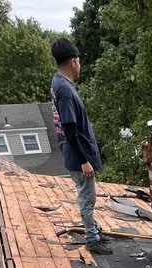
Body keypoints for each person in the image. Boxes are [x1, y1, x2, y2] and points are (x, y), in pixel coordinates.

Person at [51, 39, 107, 252]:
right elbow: (70, 129)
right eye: (80, 62)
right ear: (74, 61)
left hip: (74, 154)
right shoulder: (65, 91)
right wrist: (84, 160)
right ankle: (93, 240)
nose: (80, 66)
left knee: (87, 196)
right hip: (78, 157)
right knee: (87, 197)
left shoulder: (58, 83)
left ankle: (95, 230)